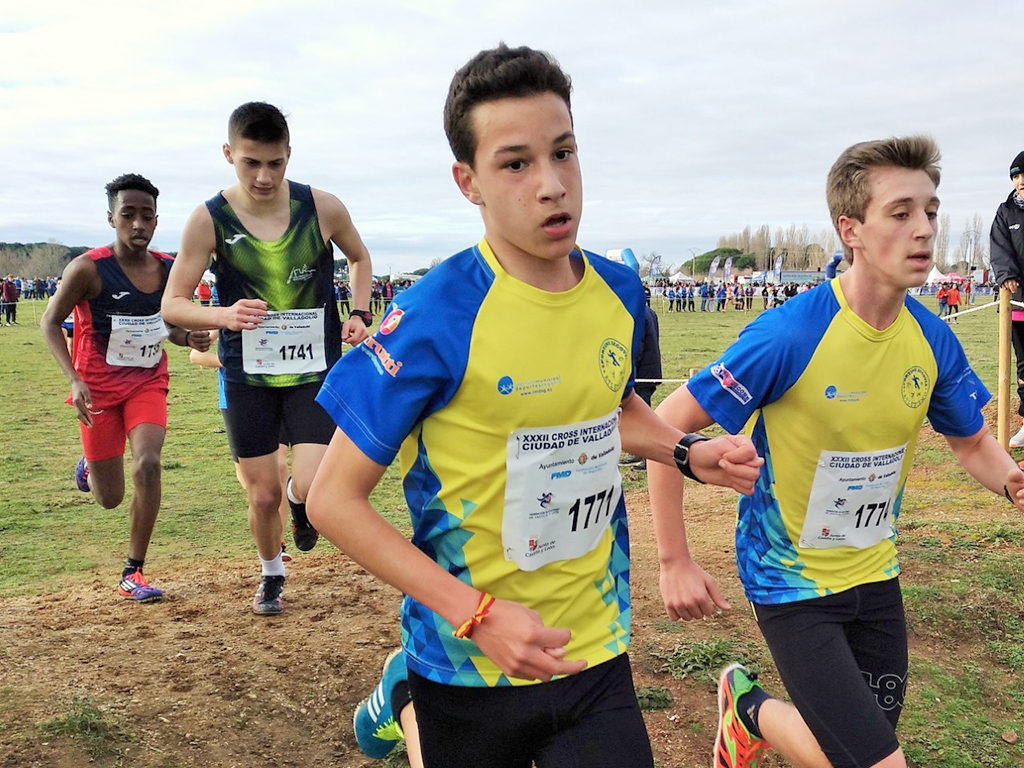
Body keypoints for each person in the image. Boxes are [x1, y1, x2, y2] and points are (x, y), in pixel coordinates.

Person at [307, 44, 761, 768]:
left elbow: (605, 409)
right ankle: (406, 699)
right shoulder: (434, 314)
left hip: (594, 645)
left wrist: (686, 451)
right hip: (466, 661)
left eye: (564, 152)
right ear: (470, 183)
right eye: (516, 164)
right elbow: (331, 500)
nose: (552, 185)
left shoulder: (619, 291)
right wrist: (476, 615)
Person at [647, 136, 1024, 768]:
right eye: (900, 213)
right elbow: (666, 424)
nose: (924, 229)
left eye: (930, 211)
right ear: (850, 228)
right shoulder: (791, 332)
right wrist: (673, 559)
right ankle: (751, 710)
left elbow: (972, 442)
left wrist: (1013, 481)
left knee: (849, 746)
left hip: (876, 573)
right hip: (788, 580)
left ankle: (749, 712)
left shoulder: (931, 338)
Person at [160, 102, 373, 615]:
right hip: (248, 376)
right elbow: (173, 303)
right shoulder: (208, 219)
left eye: (275, 163)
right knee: (260, 497)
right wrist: (224, 315)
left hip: (312, 372)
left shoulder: (322, 208)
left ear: (288, 155)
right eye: (250, 162)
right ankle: (271, 573)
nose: (263, 176)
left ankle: (300, 506)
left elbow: (360, 258)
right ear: (229, 154)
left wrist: (361, 312)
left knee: (315, 482)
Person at [40, 173, 211, 602]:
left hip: (147, 382)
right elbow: (48, 322)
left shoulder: (170, 269)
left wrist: (187, 337)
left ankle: (133, 571)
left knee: (148, 464)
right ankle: (90, 466)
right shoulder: (87, 269)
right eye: (128, 215)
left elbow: (167, 327)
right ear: (111, 218)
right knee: (110, 498)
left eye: (146, 216)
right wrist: (74, 380)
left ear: (156, 221)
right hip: (96, 390)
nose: (138, 224)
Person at [989, 150, 1024, 447]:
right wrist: (1007, 275)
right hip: (1018, 302)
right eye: (1015, 175)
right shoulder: (1005, 212)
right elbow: (999, 248)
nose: (1021, 180)